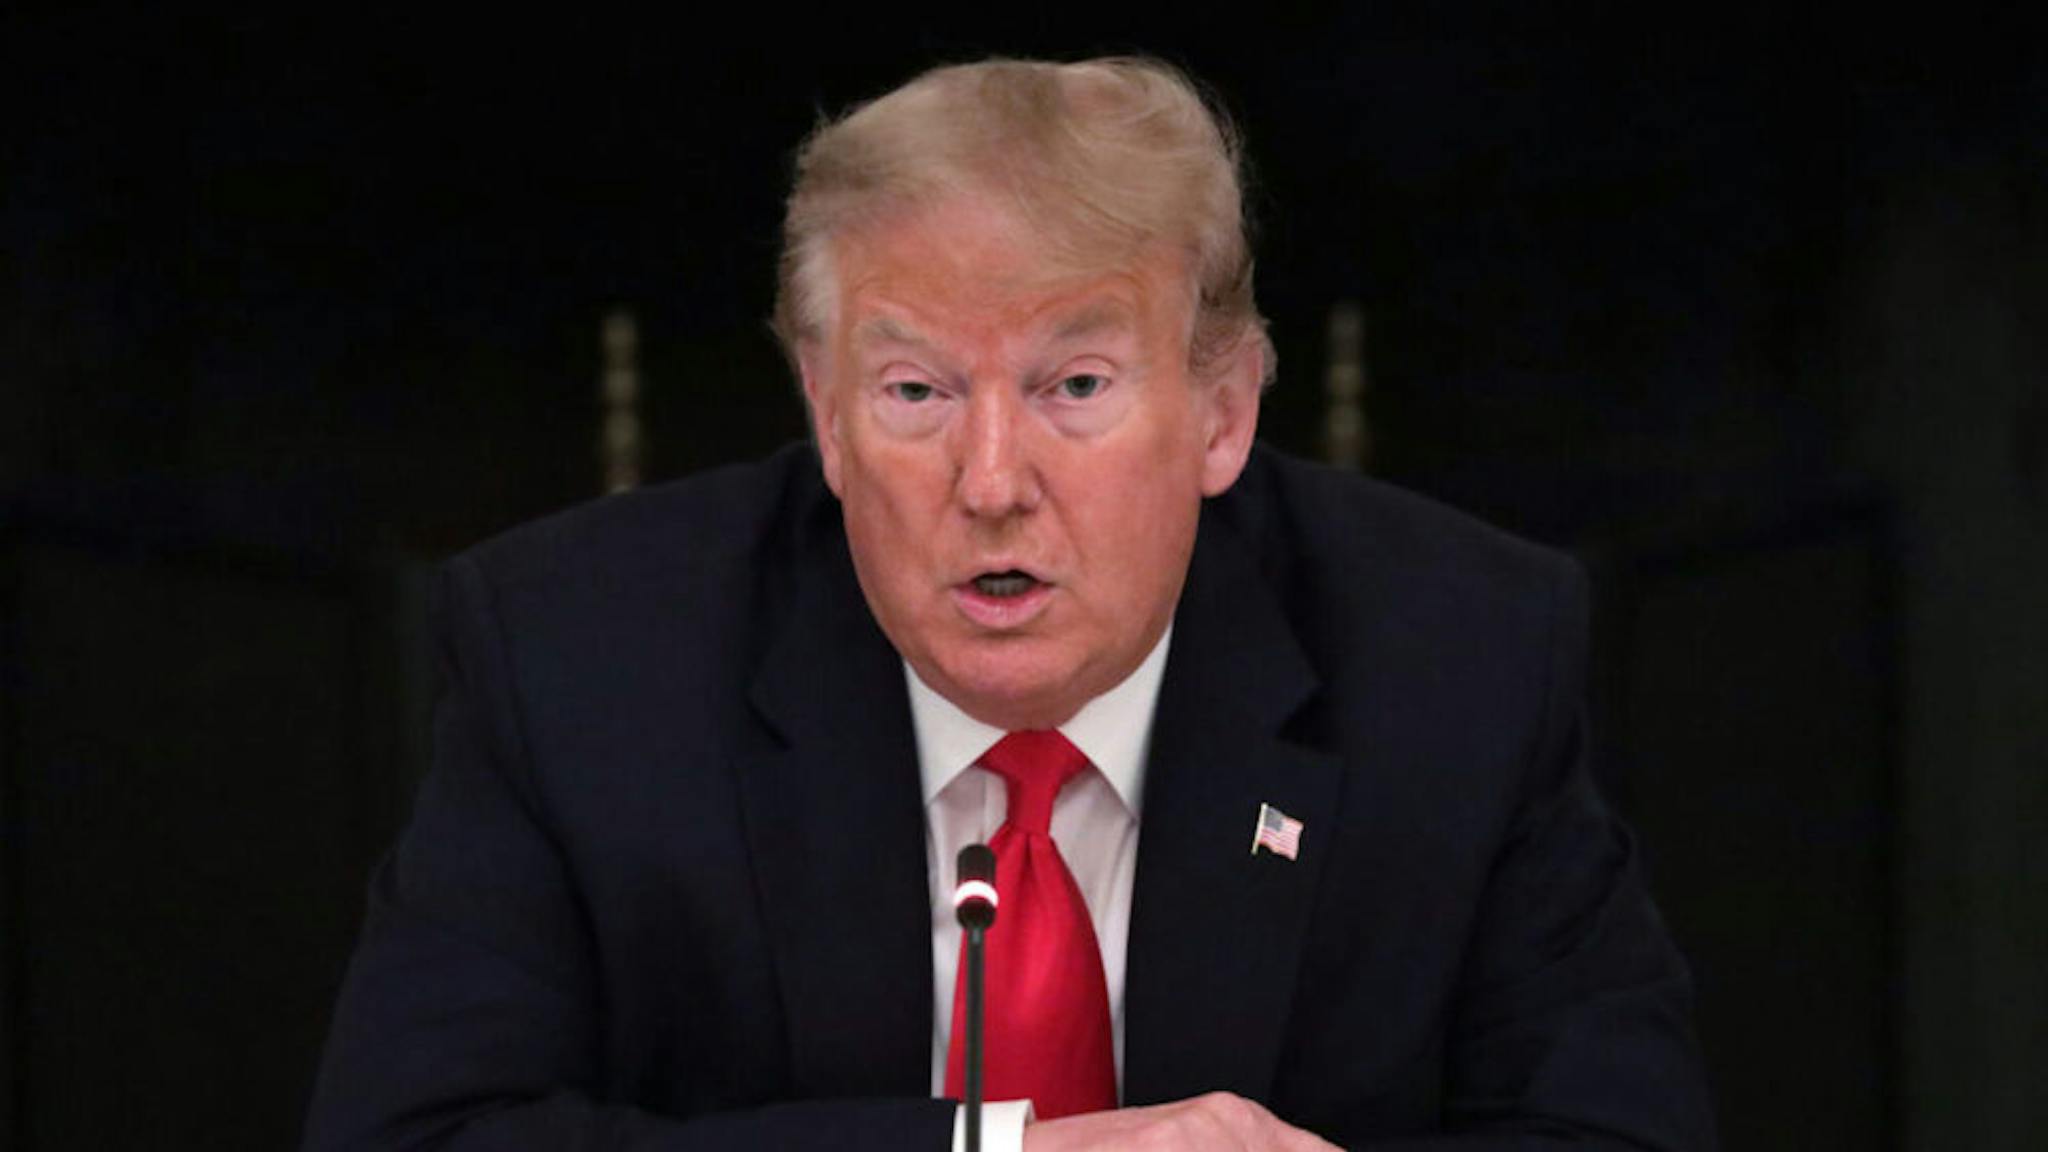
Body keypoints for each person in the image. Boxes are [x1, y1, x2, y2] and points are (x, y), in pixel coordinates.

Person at [304, 56, 1715, 1151]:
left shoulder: (1457, 653)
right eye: (915, 391)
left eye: (1075, 388)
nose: (991, 481)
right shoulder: (579, 662)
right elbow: (416, 1134)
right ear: (827, 412)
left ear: (1222, 413)